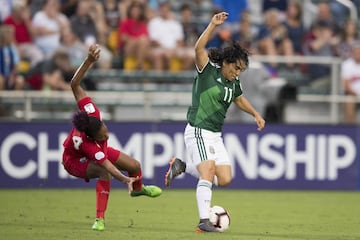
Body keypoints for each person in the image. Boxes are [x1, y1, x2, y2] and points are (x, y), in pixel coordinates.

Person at [164, 12, 265, 232]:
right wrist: (212, 25)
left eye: (241, 70)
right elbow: (198, 49)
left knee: (225, 178)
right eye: (236, 68)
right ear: (226, 63)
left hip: (215, 136)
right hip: (198, 130)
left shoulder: (233, 83)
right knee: (208, 171)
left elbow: (238, 99)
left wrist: (255, 114)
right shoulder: (208, 71)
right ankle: (203, 221)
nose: (237, 73)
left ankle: (182, 166)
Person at [61, 43, 162, 231]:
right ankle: (100, 219)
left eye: (104, 127)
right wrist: (125, 181)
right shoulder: (89, 146)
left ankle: (138, 190)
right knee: (104, 172)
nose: (106, 132)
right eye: (102, 134)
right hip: (74, 161)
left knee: (135, 166)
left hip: (94, 150)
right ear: (93, 137)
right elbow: (107, 166)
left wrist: (89, 61)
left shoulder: (91, 112)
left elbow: (74, 84)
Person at [341, 41, 360, 124]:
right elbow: (346, 85)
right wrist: (357, 94)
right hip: (352, 94)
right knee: (349, 101)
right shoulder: (347, 64)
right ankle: (350, 129)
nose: (357, 53)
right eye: (356, 51)